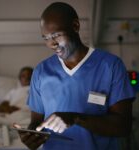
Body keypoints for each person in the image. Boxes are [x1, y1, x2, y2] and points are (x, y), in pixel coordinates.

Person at [14, 2, 135, 150]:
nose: (52, 43)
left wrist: (76, 118)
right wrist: (32, 136)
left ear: (75, 26)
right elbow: (36, 121)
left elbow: (123, 127)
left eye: (57, 35)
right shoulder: (41, 72)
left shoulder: (110, 66)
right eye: (46, 38)